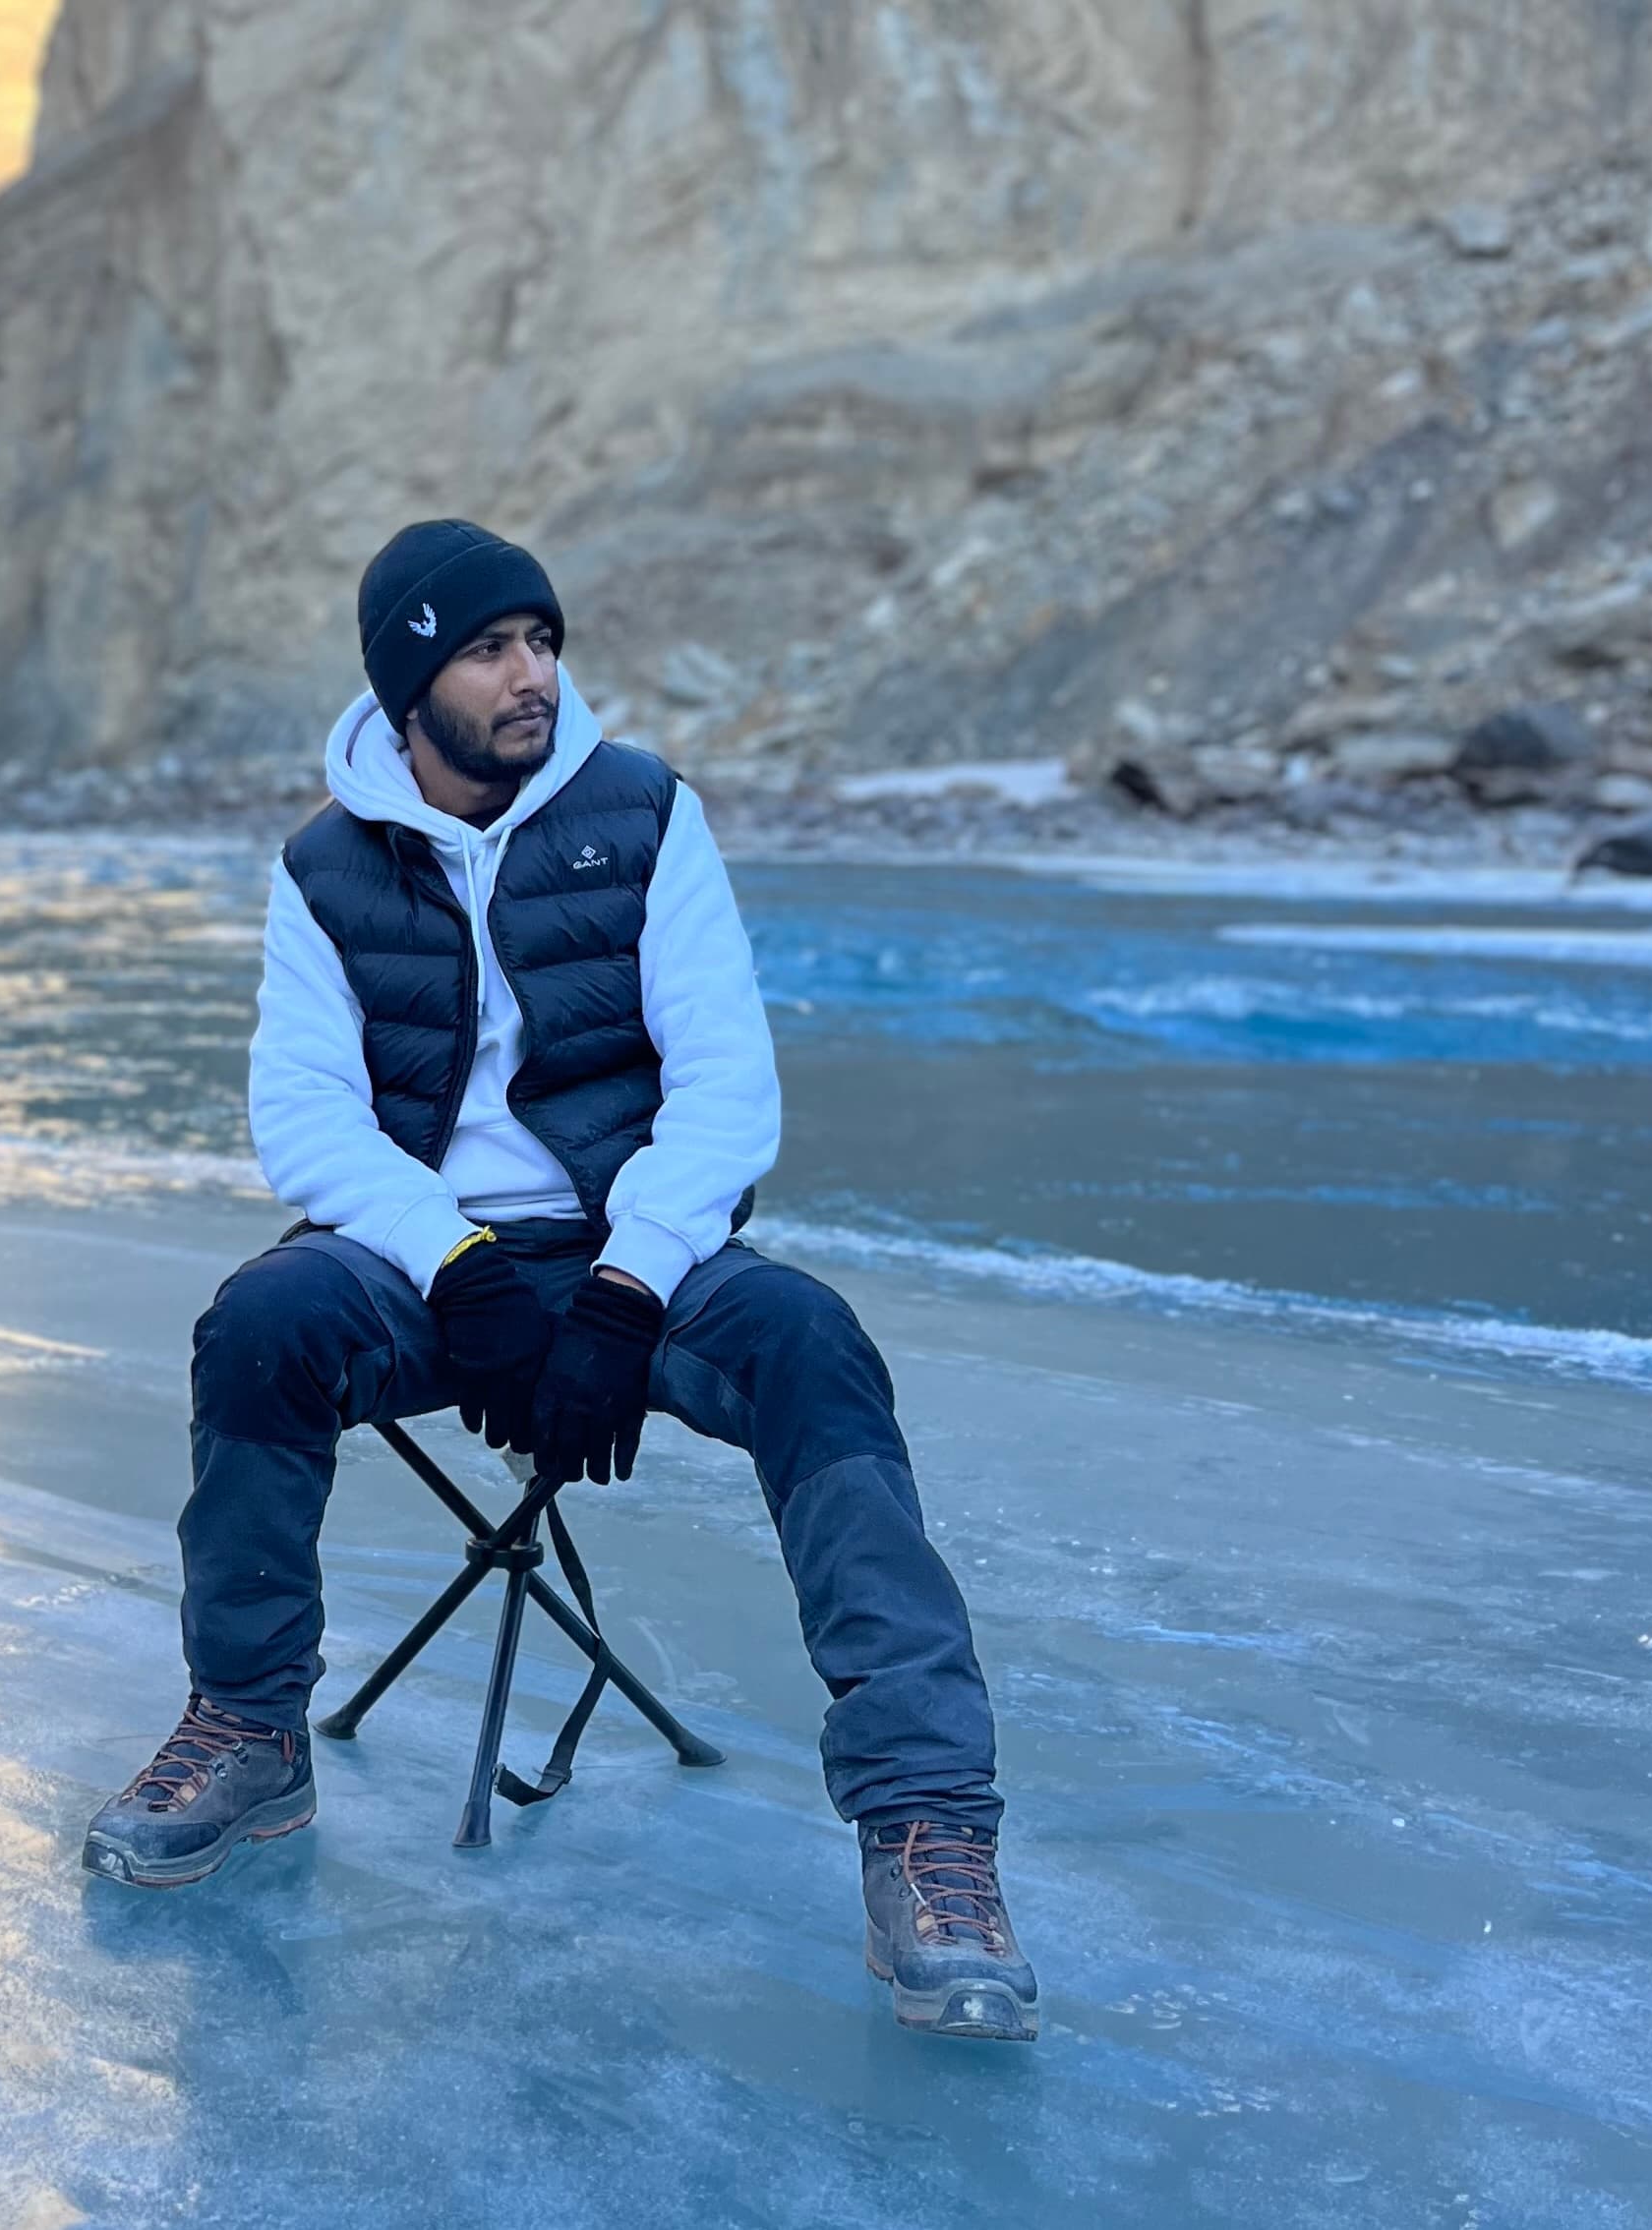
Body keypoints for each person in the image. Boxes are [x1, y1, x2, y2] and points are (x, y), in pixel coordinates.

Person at [80, 520, 1040, 2041]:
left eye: (544, 640)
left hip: (629, 1248)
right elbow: (307, 1122)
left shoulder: (646, 814)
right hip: (418, 1259)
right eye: (489, 647)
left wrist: (625, 1287)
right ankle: (251, 1731)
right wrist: (454, 1260)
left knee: (810, 1343)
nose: (533, 674)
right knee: (262, 1323)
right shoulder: (325, 868)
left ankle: (929, 1832)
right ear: (411, 686)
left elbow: (728, 1091)